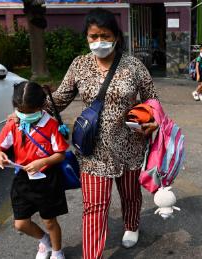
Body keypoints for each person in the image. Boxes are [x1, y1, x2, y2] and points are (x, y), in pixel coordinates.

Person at [44, 8, 158, 259]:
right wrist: (28, 111)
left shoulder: (133, 65)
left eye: (104, 35)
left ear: (116, 36)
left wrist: (153, 122)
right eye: (93, 36)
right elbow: (61, 98)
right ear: (86, 37)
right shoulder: (80, 64)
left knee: (130, 195)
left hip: (129, 145)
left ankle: (131, 225)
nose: (99, 42)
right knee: (94, 207)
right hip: (93, 150)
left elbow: (152, 101)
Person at [0, 81, 69, 259]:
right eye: (21, 111)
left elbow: (61, 154)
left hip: (47, 180)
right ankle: (45, 241)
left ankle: (57, 251)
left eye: (28, 112)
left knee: (49, 220)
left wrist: (42, 162)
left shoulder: (50, 125)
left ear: (41, 106)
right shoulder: (14, 123)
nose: (23, 115)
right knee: (20, 223)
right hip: (23, 179)